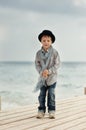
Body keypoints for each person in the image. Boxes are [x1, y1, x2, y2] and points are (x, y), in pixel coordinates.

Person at [35, 30, 60, 119]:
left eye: (48, 40)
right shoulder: (38, 53)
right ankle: (41, 110)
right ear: (41, 41)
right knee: (41, 95)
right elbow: (37, 64)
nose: (46, 42)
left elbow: (57, 65)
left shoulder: (55, 53)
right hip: (42, 79)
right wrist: (41, 72)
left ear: (51, 41)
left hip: (52, 78)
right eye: (44, 40)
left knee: (51, 94)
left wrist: (48, 71)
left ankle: (52, 111)